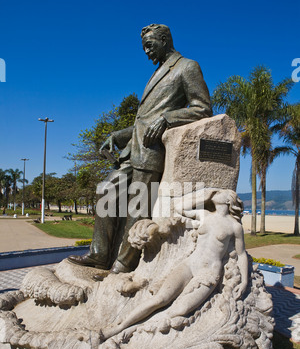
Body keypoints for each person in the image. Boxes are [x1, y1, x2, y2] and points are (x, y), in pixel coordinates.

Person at [68, 24, 212, 276]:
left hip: (151, 153)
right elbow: (142, 122)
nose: (146, 52)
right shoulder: (158, 72)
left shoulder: (187, 67)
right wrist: (116, 135)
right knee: (106, 192)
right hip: (132, 152)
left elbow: (202, 108)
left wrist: (169, 118)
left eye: (149, 45)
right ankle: (100, 255)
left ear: (165, 40)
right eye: (144, 46)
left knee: (137, 209)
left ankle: (123, 264)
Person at [100, 189, 248, 341]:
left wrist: (244, 281)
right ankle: (119, 327)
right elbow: (180, 207)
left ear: (229, 200)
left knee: (180, 310)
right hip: (190, 264)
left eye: (218, 192)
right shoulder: (204, 215)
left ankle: (133, 329)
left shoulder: (234, 226)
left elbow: (241, 254)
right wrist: (206, 194)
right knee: (160, 299)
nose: (215, 193)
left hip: (208, 273)